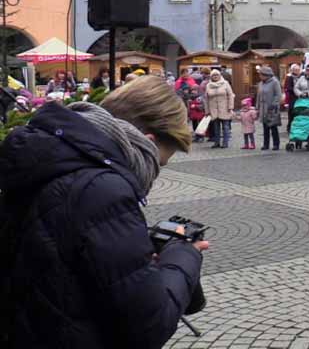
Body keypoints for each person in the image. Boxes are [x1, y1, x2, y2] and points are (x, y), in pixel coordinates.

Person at [0, 75, 205, 348]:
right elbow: (151, 324)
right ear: (147, 142)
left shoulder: (48, 158)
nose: (154, 177)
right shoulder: (102, 189)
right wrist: (184, 254)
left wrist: (135, 252)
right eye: (160, 163)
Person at [205, 69, 235, 149]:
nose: (215, 77)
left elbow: (230, 95)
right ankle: (217, 143)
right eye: (213, 75)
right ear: (211, 77)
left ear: (220, 75)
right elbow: (206, 99)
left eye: (216, 75)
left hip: (224, 108)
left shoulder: (225, 83)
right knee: (216, 128)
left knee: (225, 127)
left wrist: (230, 107)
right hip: (213, 109)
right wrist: (207, 111)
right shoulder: (208, 85)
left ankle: (225, 143)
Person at [256, 66, 282, 151]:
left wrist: (274, 104)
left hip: (272, 108)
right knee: (265, 127)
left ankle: (276, 144)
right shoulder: (261, 83)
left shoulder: (274, 82)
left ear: (266, 75)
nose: (260, 76)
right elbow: (258, 96)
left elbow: (278, 95)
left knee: (273, 127)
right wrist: (257, 107)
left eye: (261, 75)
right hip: (263, 108)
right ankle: (266, 144)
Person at [283, 63, 302, 128]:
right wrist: (296, 90)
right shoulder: (289, 77)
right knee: (292, 113)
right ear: (292, 70)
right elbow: (288, 87)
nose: (297, 71)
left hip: (299, 98)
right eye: (296, 70)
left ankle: (297, 126)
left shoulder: (301, 77)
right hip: (292, 98)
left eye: (298, 70)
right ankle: (290, 126)